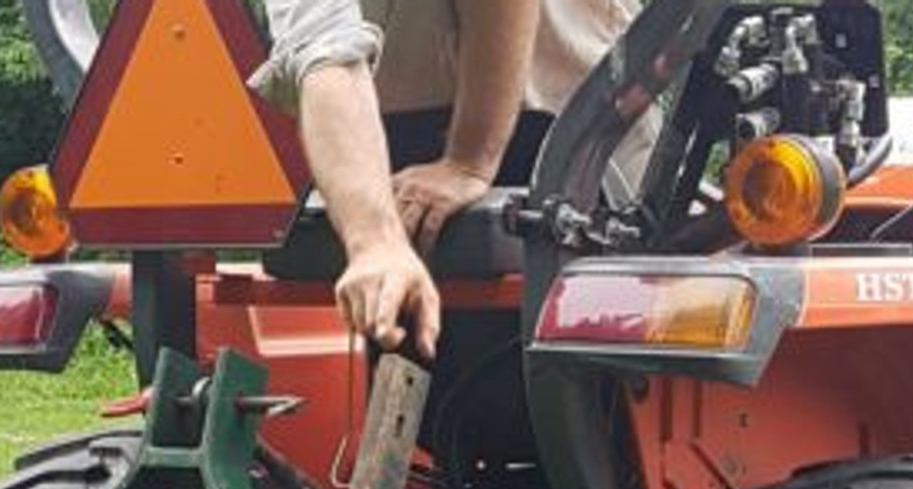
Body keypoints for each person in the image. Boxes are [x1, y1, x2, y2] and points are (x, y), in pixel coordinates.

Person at [253, 0, 634, 358]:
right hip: (394, 136)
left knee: (569, 366)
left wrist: (469, 160)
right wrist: (375, 244)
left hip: (566, 128)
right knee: (413, 333)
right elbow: (323, 51)